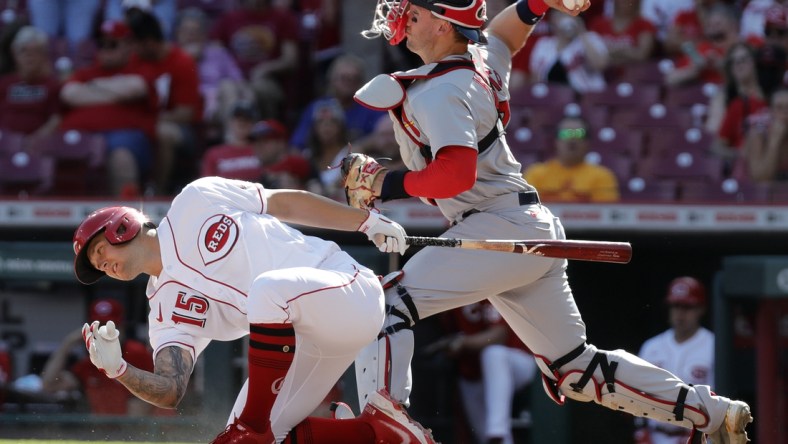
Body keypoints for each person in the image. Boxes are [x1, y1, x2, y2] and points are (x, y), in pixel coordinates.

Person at [349, 1, 752, 442]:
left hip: (496, 226)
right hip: (519, 225)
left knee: (384, 306)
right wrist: (537, 3)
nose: (402, 23)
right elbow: (504, 35)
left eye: (414, 15)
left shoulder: (442, 89)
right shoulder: (477, 60)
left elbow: (455, 173)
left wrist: (384, 183)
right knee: (575, 369)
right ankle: (712, 413)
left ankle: (386, 430)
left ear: (443, 24)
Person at [72, 176, 436, 443]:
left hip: (345, 289)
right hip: (307, 342)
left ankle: (251, 423)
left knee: (266, 290)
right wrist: (117, 368)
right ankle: (376, 434)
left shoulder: (195, 201)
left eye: (100, 252)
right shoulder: (163, 310)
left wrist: (366, 222)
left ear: (123, 226)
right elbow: (171, 389)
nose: (102, 264)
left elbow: (284, 203)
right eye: (96, 265)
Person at [59, 19, 159, 197]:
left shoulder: (141, 69)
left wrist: (92, 87)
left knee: (121, 157)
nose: (105, 49)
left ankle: (126, 218)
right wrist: (114, 91)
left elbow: (134, 88)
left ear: (128, 45)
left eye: (112, 44)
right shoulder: (85, 72)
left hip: (125, 137)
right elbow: (69, 95)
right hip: (80, 136)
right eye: (101, 44)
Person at [423, 300, 537, 444]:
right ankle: (498, 436)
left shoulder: (492, 285)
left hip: (517, 360)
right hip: (474, 373)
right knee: (487, 437)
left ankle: (497, 429)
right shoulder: (453, 293)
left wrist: (463, 342)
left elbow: (499, 335)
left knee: (493, 354)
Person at [40, 298, 163, 416]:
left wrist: (126, 432)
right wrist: (68, 343)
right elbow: (49, 384)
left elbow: (149, 400)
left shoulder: (137, 353)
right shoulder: (91, 362)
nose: (104, 335)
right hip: (103, 433)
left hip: (145, 431)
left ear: (122, 328)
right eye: (99, 329)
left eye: (110, 328)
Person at [125, 7, 202, 195]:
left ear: (150, 42)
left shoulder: (182, 61)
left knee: (163, 132)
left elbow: (185, 113)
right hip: (143, 122)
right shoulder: (135, 59)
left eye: (136, 43)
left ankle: (158, 191)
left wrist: (149, 122)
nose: (133, 49)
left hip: (183, 129)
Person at [635, 277, 714, 444]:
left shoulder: (713, 345)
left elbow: (719, 399)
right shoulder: (651, 347)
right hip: (655, 435)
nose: (680, 313)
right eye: (676, 306)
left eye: (687, 307)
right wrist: (640, 427)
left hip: (697, 437)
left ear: (701, 309)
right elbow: (636, 393)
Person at [290, 54, 385, 151]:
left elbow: (385, 135)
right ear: (332, 80)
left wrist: (360, 146)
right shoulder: (316, 107)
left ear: (362, 83)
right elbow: (297, 144)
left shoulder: (371, 108)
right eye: (344, 78)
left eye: (354, 78)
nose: (349, 82)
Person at [523, 115, 620, 202]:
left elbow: (605, 215)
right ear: (556, 141)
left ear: (588, 142)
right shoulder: (536, 174)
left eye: (579, 134)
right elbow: (525, 211)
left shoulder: (602, 176)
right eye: (565, 134)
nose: (572, 139)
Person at [0, 26, 62, 142]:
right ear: (15, 54)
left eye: (35, 51)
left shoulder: (52, 85)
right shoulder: (3, 84)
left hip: (37, 146)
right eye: (23, 50)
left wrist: (35, 140)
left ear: (43, 56)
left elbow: (55, 120)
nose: (29, 56)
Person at [529, 9, 610, 93]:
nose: (565, 18)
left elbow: (599, 65)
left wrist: (581, 31)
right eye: (560, 15)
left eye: (569, 14)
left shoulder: (589, 38)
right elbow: (536, 78)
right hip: (552, 99)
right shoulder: (543, 44)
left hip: (586, 98)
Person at [199, 100, 263, 182]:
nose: (242, 122)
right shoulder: (213, 154)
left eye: (247, 119)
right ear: (230, 122)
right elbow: (206, 185)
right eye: (238, 118)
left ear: (254, 123)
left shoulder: (262, 150)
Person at [742, 87, 788, 182]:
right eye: (779, 107)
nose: (785, 112)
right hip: (750, 193)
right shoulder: (757, 135)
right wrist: (774, 141)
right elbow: (761, 179)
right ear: (771, 112)